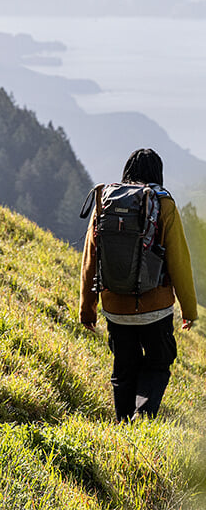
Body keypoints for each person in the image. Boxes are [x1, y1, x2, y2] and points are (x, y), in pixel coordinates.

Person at [79, 148, 197, 422]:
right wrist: (189, 310)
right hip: (156, 307)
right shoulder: (164, 204)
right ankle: (142, 419)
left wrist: (87, 309)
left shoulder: (106, 202)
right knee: (157, 364)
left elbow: (90, 258)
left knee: (123, 368)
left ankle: (124, 425)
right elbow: (179, 260)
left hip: (115, 307)